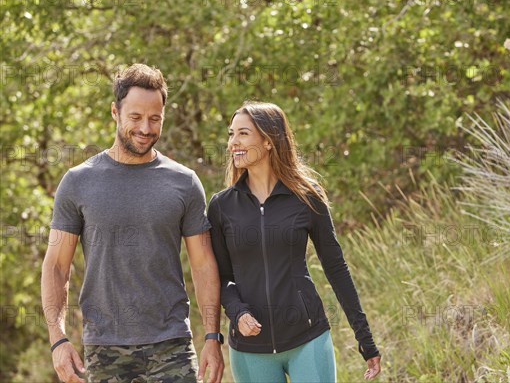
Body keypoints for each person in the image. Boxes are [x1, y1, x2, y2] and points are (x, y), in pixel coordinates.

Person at [41, 63, 225, 383]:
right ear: (115, 112)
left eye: (155, 119)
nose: (145, 128)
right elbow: (57, 265)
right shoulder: (78, 182)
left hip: (172, 346)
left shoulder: (184, 183)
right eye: (135, 117)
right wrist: (57, 339)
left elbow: (204, 264)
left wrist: (212, 337)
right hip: (104, 347)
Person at [207, 101, 381, 382]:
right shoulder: (222, 206)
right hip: (251, 347)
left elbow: (336, 268)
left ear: (268, 141)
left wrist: (365, 338)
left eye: (242, 134)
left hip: (307, 337)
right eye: (231, 134)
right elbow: (222, 277)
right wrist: (237, 312)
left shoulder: (306, 198)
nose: (232, 143)